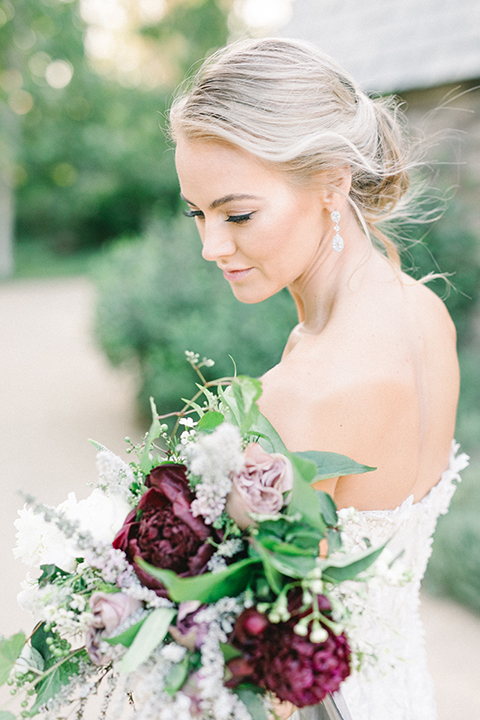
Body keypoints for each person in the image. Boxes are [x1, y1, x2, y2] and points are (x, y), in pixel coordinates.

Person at [169, 37, 467, 720]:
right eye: (198, 213)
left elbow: (250, 661)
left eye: (237, 214)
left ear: (332, 183)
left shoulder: (302, 395)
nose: (212, 246)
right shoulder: (422, 311)